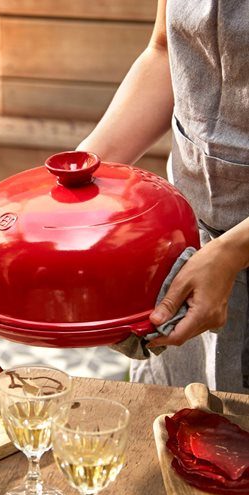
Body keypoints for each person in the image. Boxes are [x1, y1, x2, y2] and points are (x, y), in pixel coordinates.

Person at [77, 0, 249, 393]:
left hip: (229, 250)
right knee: (180, 425)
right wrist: (81, 172)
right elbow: (165, 51)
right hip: (189, 235)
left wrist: (233, 250)